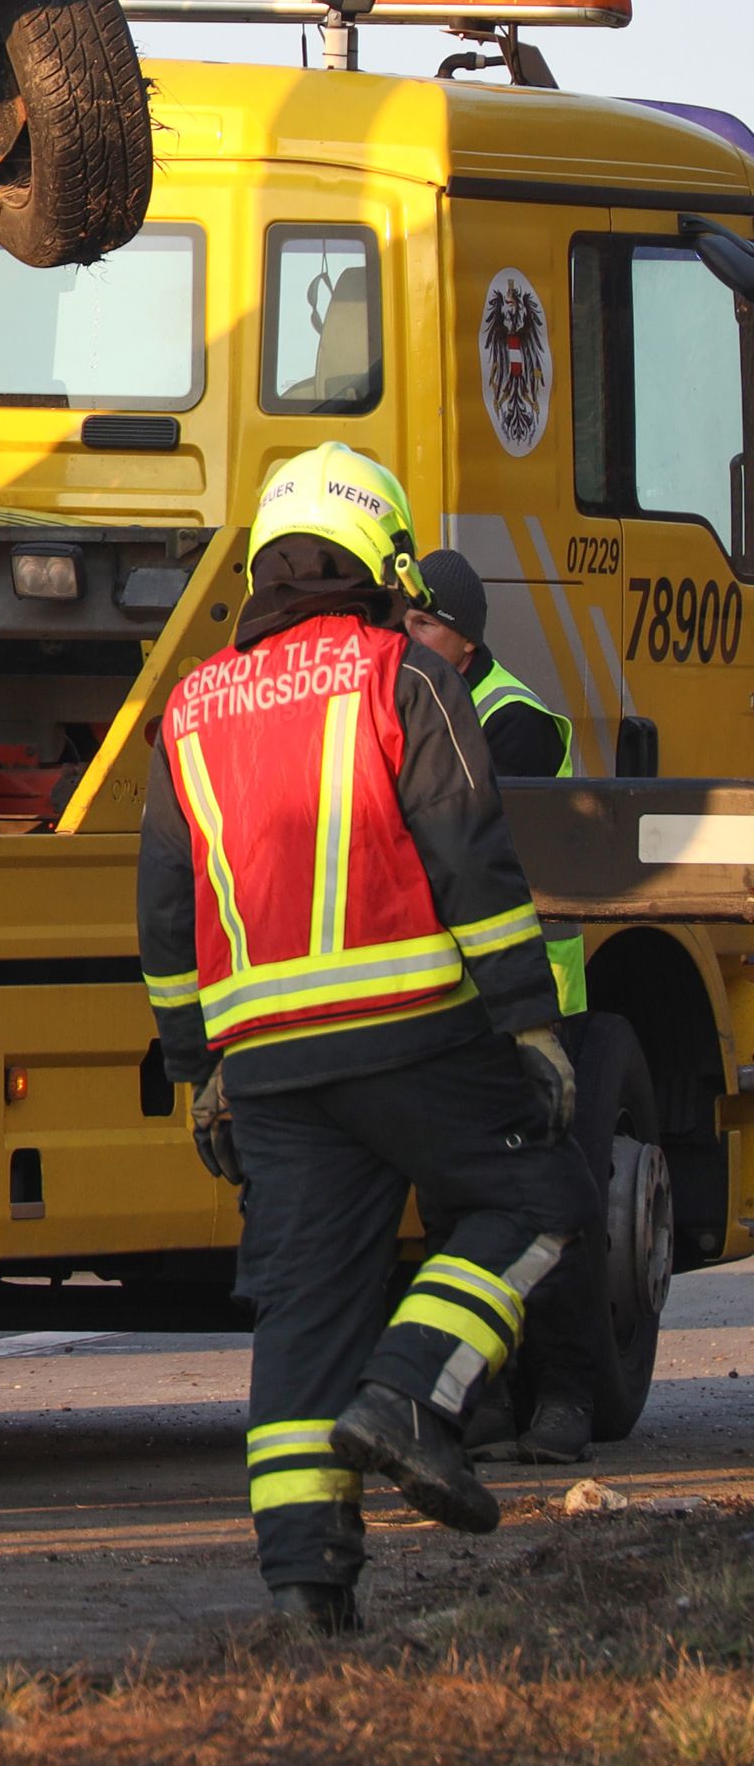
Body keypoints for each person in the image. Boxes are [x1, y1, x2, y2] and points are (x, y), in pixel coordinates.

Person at [138, 444, 595, 1630]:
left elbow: (164, 910)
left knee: (303, 1308)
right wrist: (530, 1026)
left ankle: (304, 1585)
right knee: (539, 1193)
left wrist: (195, 1069)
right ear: (380, 563)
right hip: (412, 1030)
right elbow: (472, 866)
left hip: (268, 1068)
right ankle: (411, 1400)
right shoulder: (400, 674)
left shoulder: (188, 707)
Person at [407, 549, 604, 1467]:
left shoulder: (511, 720)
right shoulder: (426, 704)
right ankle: (480, 1403)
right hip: (457, 1003)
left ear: (466, 635)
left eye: (422, 626)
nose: (406, 640)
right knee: (457, 1215)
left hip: (531, 1009)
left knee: (546, 1211)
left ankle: (563, 1403)